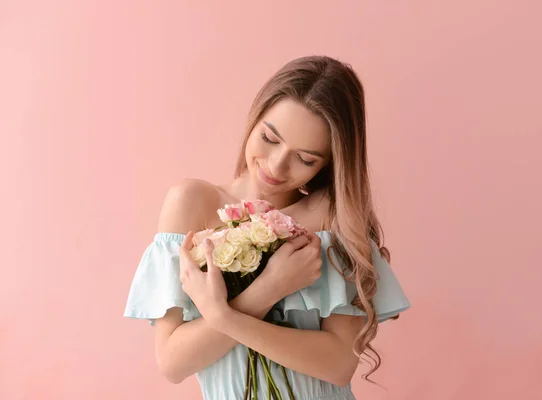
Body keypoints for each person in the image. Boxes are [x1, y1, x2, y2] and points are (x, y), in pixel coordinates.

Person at [124, 55, 411, 400]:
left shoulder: (328, 216)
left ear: (329, 163)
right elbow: (172, 363)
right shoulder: (192, 203)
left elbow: (338, 365)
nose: (276, 166)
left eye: (305, 159)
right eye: (270, 138)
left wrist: (223, 316)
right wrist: (267, 291)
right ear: (255, 117)